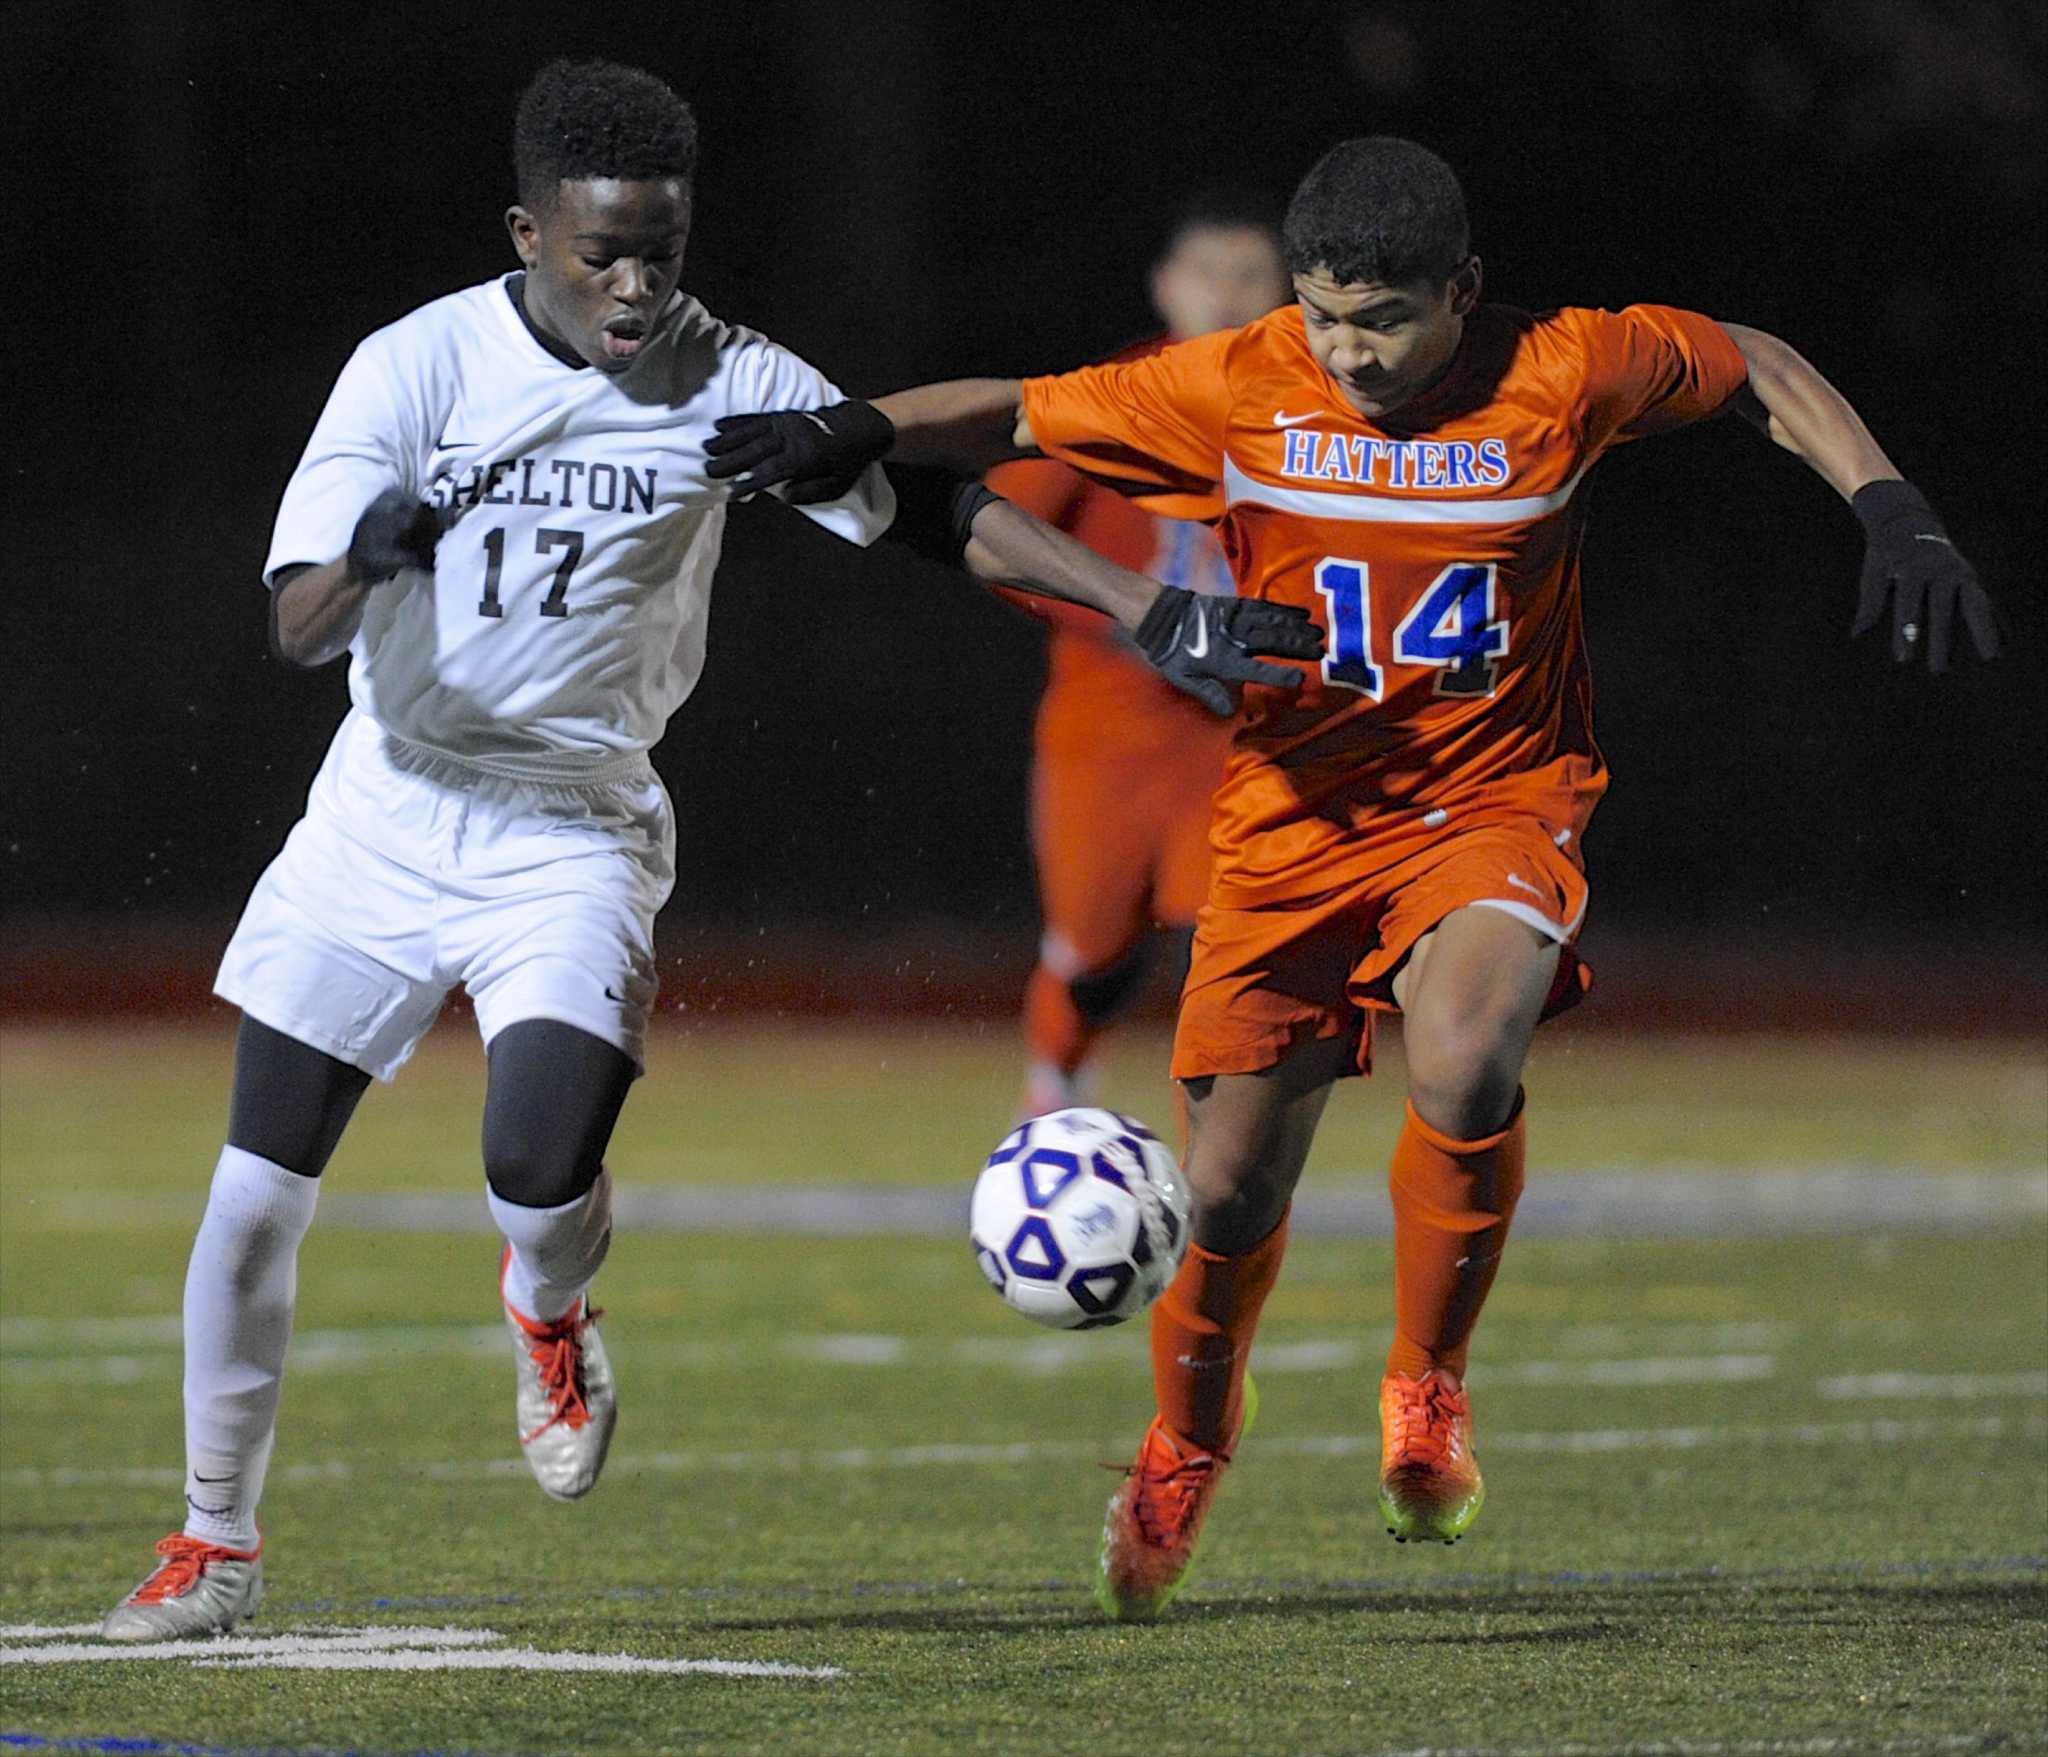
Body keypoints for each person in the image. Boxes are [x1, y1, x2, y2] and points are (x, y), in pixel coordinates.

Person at [101, 59, 1321, 1643]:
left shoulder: (720, 372)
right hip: (385, 811)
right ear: (526, 231)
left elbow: (923, 503)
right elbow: (293, 618)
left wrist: (1146, 605)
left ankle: (547, 1310)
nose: (636, 284)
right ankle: (215, 1542)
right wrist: (370, 557)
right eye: (601, 250)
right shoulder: (412, 369)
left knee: (534, 1170)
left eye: (661, 250)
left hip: (575, 827)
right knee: (254, 1194)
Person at [703, 136, 2000, 1621]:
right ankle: (1186, 1445)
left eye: (1381, 319)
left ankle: (1427, 1380)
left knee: (1464, 1052)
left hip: (1493, 801)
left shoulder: (1564, 373)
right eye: (1325, 315)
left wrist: (1887, 501)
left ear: (1464, 290)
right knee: (1232, 1189)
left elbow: (1754, 361)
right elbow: (1013, 409)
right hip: (1294, 815)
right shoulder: (1244, 379)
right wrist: (850, 427)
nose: (1348, 350)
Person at [989, 197, 1291, 1120]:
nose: (1229, 298)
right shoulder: (1115, 397)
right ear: (1166, 285)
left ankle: (1231, 1146)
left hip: (1248, 733)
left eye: (1251, 277)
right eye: (1210, 274)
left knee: (1237, 941)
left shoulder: (1316, 407)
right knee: (1094, 949)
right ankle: (1056, 1089)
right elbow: (997, 530)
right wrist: (1122, 618)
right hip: (1110, 725)